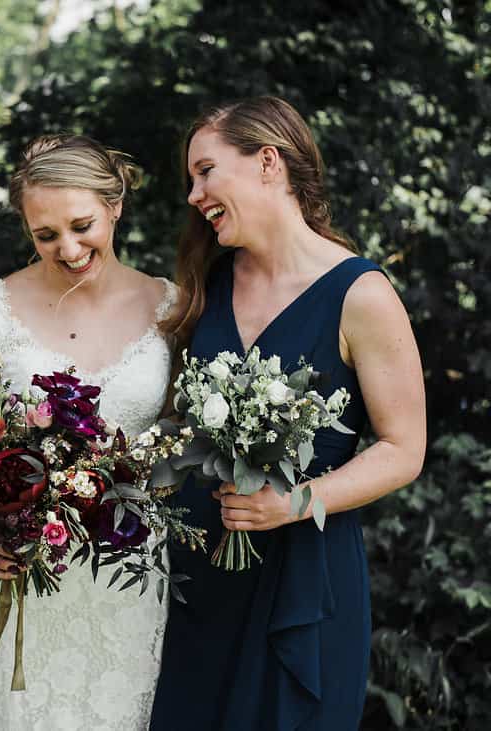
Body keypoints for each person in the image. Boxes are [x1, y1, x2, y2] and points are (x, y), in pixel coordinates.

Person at [150, 96, 426, 730]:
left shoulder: (362, 294)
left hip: (305, 582)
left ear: (267, 162)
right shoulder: (208, 285)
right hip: (204, 575)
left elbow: (403, 450)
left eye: (206, 171)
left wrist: (296, 501)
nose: (194, 194)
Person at [0, 134, 176, 729]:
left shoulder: (172, 309)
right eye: (45, 235)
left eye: (82, 226)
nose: (68, 249)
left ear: (116, 205)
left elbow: (184, 439)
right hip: (14, 567)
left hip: (125, 570)